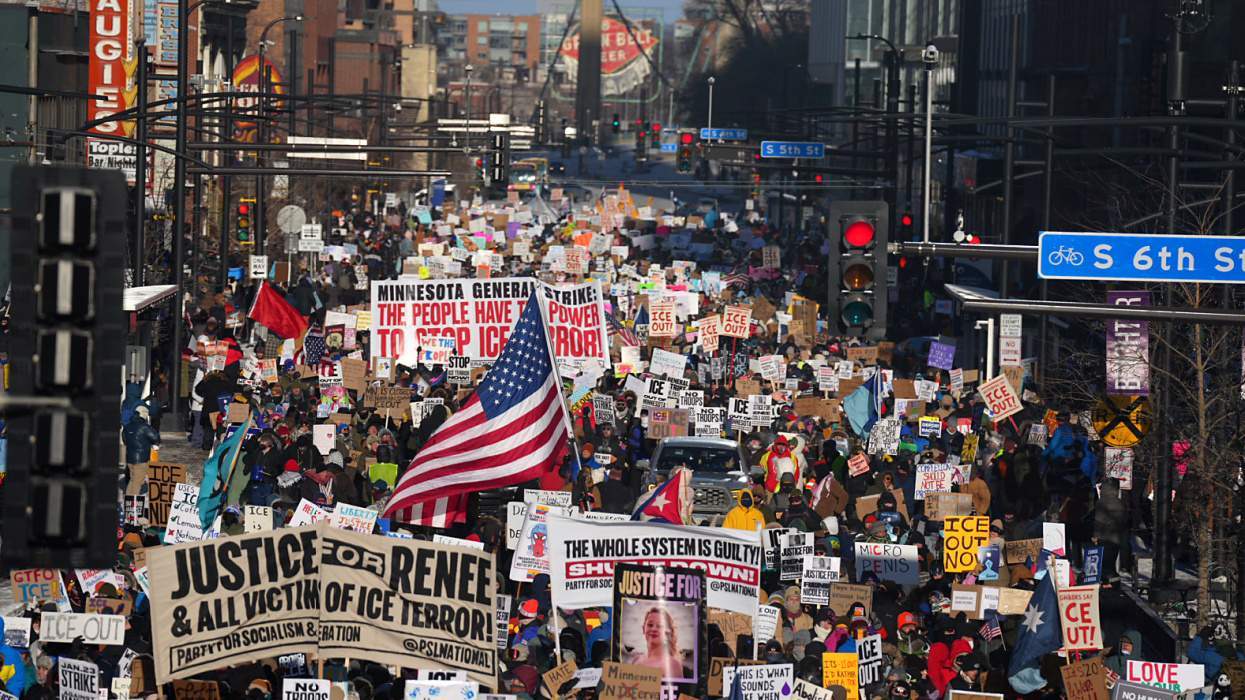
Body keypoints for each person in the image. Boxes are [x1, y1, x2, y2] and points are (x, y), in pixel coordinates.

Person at [625, 607, 691, 680]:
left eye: (659, 626)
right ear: (643, 628)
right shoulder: (636, 660)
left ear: (667, 632)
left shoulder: (672, 665)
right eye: (650, 625)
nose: (653, 629)